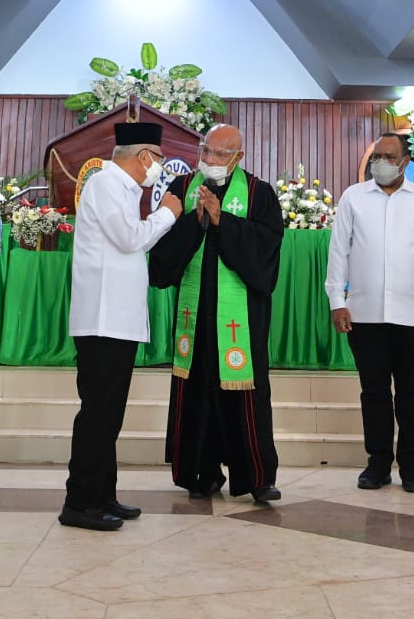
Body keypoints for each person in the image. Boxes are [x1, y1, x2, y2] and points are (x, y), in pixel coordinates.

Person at [150, 123, 285, 504]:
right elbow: (161, 250)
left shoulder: (258, 193)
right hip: (194, 315)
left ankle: (257, 477)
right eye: (206, 151)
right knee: (197, 393)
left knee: (246, 394)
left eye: (220, 154)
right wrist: (194, 220)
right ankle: (200, 472)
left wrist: (223, 220)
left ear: (238, 157)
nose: (210, 159)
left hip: (241, 318)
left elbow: (267, 250)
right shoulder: (182, 188)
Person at [59, 121, 181, 531]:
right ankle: (80, 503)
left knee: (109, 416)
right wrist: (168, 214)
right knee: (98, 414)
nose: (159, 167)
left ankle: (102, 494)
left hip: (118, 320)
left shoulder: (124, 189)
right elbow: (130, 239)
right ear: (144, 156)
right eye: (159, 158)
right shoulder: (105, 184)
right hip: (102, 320)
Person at [326, 133, 414, 492]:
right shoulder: (354, 197)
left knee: (411, 393)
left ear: (405, 162)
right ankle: (378, 463)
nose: (380, 163)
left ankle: (411, 465)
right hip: (365, 313)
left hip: (413, 315)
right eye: (377, 157)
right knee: (374, 393)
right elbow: (339, 250)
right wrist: (337, 300)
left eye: (389, 156)